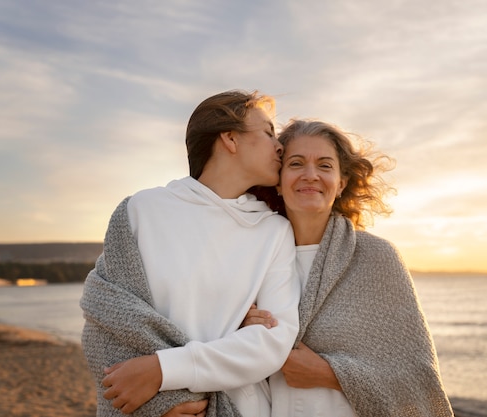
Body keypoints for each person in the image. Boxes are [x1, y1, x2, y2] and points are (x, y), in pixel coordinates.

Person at [80, 90, 301, 417]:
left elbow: (273, 341)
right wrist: (162, 404)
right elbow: (107, 317)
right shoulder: (143, 210)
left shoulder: (273, 231)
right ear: (229, 138)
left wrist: (163, 370)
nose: (279, 145)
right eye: (268, 133)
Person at [245, 119, 454, 416]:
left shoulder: (376, 257)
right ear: (277, 181)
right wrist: (242, 329)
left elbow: (418, 381)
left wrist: (330, 374)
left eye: (325, 166)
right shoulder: (251, 257)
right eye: (295, 163)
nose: (310, 175)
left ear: (341, 183)